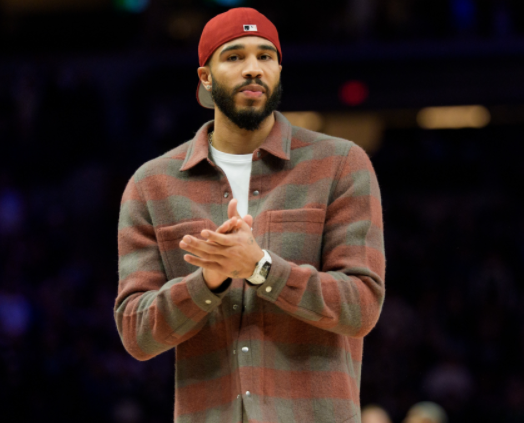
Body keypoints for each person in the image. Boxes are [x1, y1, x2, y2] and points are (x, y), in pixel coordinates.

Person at [114, 7, 385, 423]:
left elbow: (361, 305)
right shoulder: (152, 185)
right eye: (235, 56)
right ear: (205, 77)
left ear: (278, 70)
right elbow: (136, 332)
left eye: (265, 56)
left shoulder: (341, 164)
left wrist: (261, 268)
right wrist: (207, 282)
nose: (253, 68)